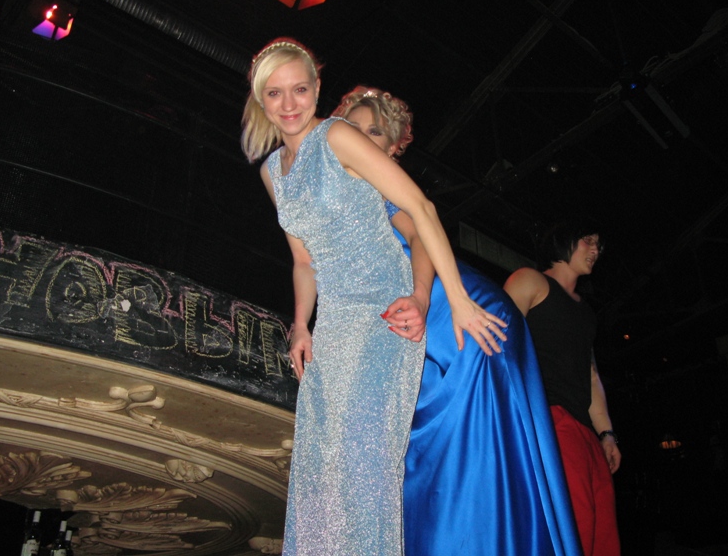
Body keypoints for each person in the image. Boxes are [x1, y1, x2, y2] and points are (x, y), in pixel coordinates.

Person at [241, 39, 507, 556]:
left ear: (318, 89)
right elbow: (303, 260)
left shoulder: (338, 136)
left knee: (361, 466)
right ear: (260, 99)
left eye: (300, 89)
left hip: (382, 315)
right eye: (275, 93)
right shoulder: (272, 173)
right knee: (319, 467)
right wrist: (301, 324)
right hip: (334, 325)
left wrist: (452, 299)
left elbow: (421, 209)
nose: (289, 104)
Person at [333, 86, 582, 556]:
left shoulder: (383, 188)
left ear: (393, 149)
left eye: (376, 132)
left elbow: (421, 235)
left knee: (459, 437)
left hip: (454, 306)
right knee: (458, 439)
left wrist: (430, 298)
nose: (362, 137)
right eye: (354, 127)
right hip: (440, 309)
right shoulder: (334, 193)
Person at [504, 220, 621, 556]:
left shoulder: (586, 313)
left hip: (584, 432)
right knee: (573, 526)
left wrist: (607, 434)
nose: (595, 249)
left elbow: (590, 375)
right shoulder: (530, 281)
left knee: (601, 536)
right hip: (549, 419)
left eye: (599, 244)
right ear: (562, 240)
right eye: (588, 240)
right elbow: (497, 348)